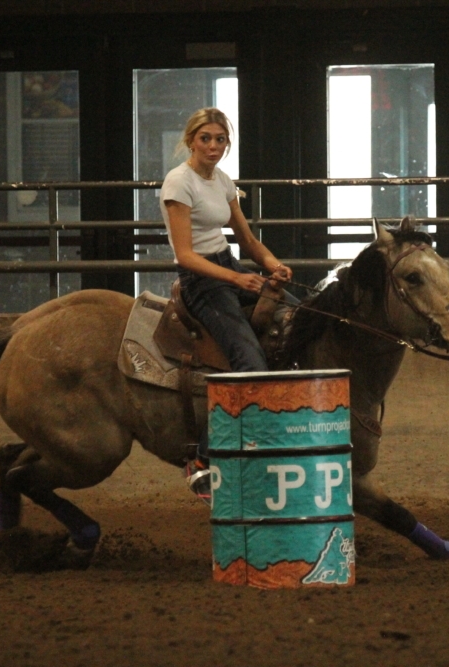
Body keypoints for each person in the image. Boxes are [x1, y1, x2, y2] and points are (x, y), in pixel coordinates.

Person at [160, 107, 293, 500]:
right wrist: (236, 279)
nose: (213, 146)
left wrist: (273, 265)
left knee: (299, 317)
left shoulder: (221, 180)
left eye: (220, 139)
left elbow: (247, 240)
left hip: (228, 267)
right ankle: (201, 461)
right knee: (250, 364)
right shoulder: (178, 182)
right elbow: (185, 255)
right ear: (191, 141)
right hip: (202, 282)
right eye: (206, 138)